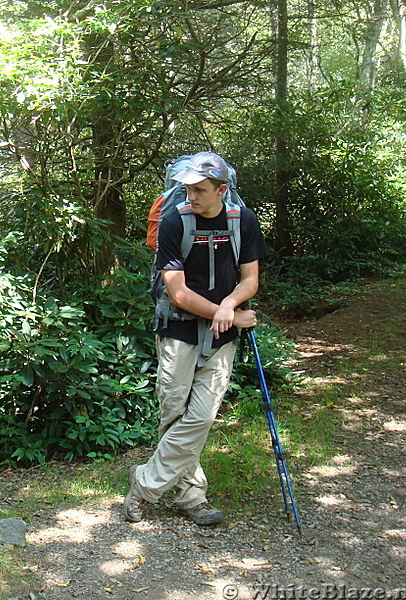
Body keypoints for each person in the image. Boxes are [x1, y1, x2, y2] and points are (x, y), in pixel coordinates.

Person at [123, 151, 269, 525]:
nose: (191, 196)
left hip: (222, 335)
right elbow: (179, 294)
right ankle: (192, 496)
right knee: (174, 415)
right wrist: (229, 313)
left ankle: (144, 485)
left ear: (222, 189)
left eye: (199, 190)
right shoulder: (174, 223)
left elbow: (250, 278)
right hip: (178, 330)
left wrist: (230, 306)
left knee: (201, 418)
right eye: (186, 188)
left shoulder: (243, 221)